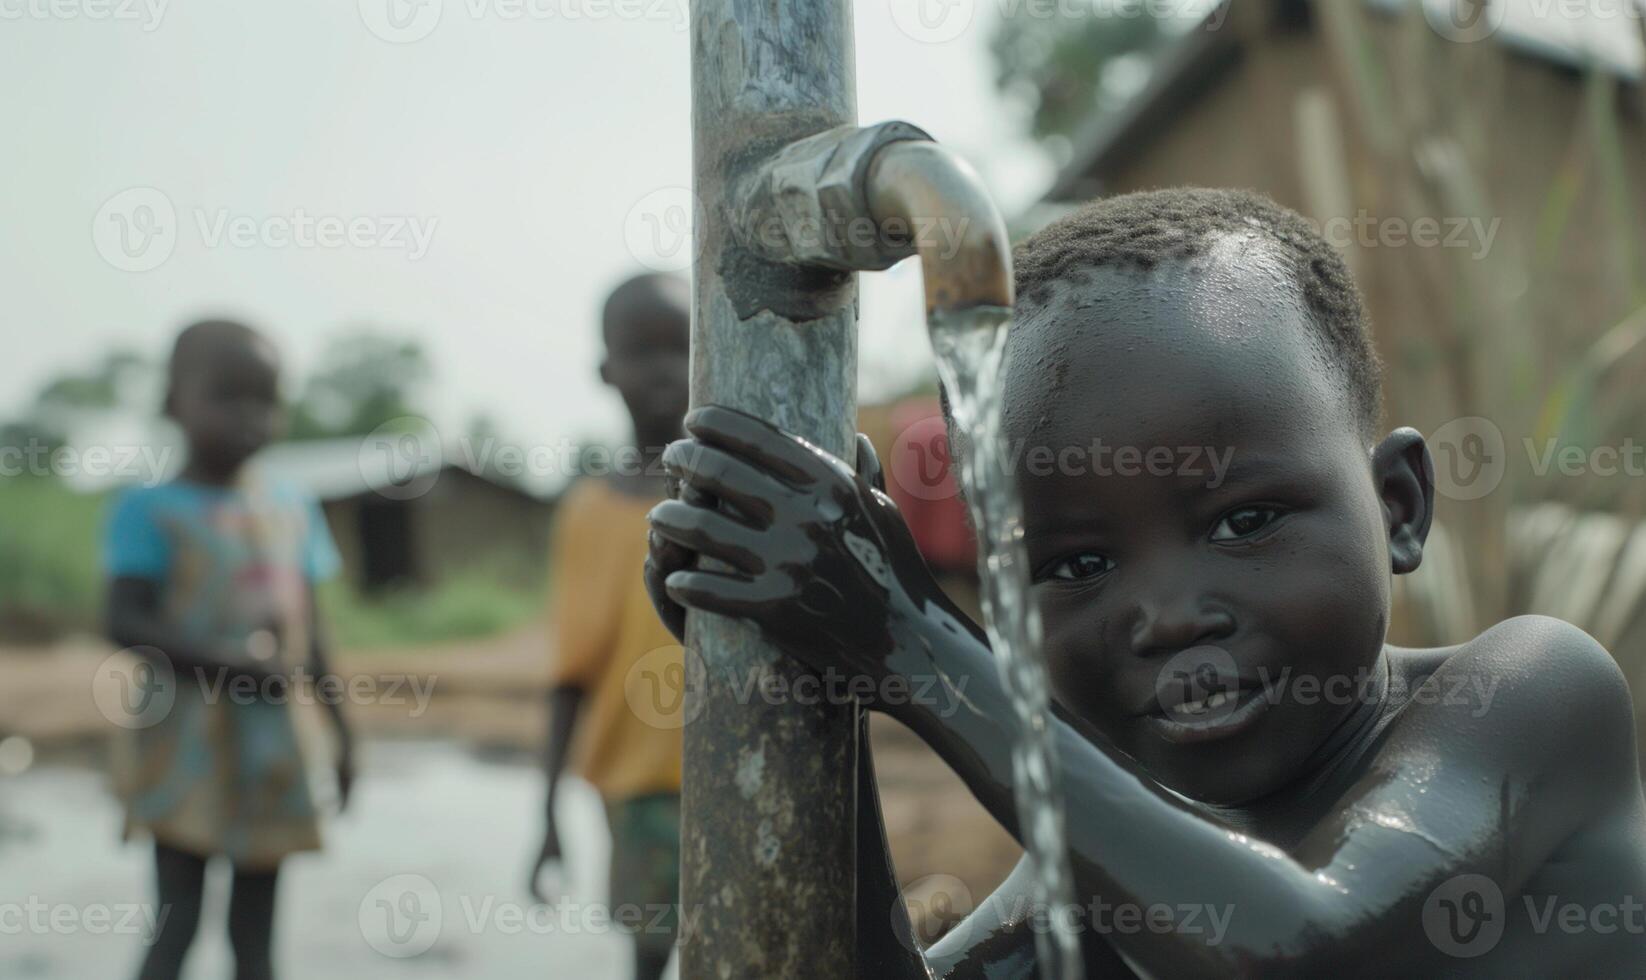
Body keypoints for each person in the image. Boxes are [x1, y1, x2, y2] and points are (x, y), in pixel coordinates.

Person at [643, 189, 1646, 976]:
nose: (1166, 614)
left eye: (1243, 519)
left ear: (1396, 505)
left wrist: (904, 637)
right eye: (1074, 564)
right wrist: (816, 674)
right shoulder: (1103, 859)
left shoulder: (1530, 692)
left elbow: (1299, 943)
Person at [104, 319, 353, 980]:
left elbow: (313, 636)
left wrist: (342, 734)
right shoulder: (151, 509)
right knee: (176, 923)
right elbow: (123, 620)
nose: (251, 416)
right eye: (228, 395)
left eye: (265, 399)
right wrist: (229, 666)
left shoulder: (294, 507)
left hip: (272, 749)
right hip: (182, 747)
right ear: (172, 402)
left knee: (256, 937)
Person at [531, 272, 691, 980]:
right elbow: (571, 671)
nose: (664, 369)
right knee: (652, 953)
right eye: (641, 350)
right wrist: (545, 817)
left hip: (756, 759)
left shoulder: (741, 486)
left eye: (681, 347)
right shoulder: (589, 512)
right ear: (606, 370)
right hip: (639, 785)